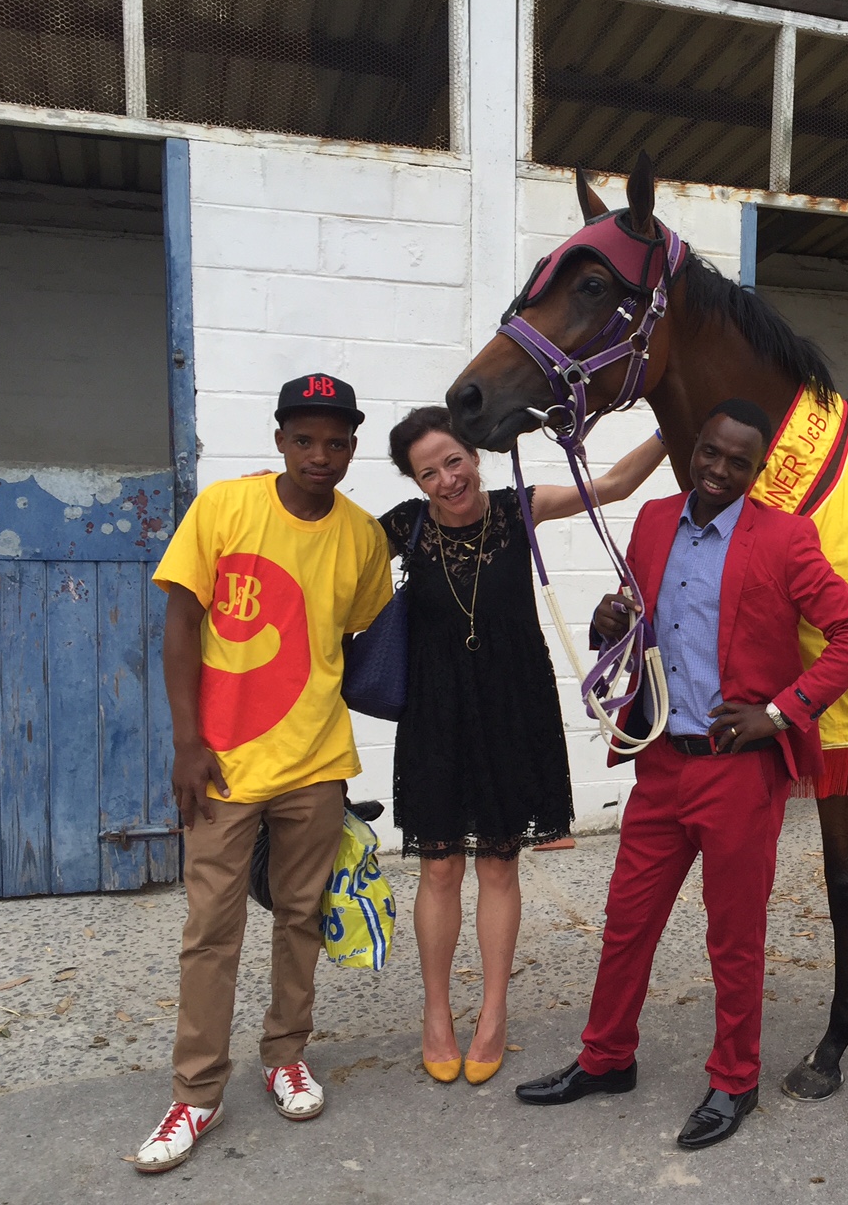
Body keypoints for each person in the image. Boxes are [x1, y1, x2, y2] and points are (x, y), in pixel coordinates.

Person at [514, 399, 848, 1149]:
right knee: (627, 923)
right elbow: (642, 624)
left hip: (738, 776)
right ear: (695, 450)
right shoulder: (653, 521)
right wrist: (609, 625)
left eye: (737, 462)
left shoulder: (784, 538)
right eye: (710, 453)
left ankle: (734, 1080)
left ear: (758, 471)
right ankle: (607, 1058)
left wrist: (780, 713)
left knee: (734, 936)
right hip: (660, 764)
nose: (718, 470)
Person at [133, 375, 393, 1173]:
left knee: (301, 917)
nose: (322, 454)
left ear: (352, 448)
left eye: (338, 442)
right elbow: (181, 623)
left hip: (315, 764)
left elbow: (350, 644)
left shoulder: (362, 537)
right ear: (280, 440)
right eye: (306, 439)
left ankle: (285, 1052)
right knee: (211, 929)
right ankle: (197, 1092)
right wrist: (186, 740)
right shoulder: (223, 508)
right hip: (221, 765)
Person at [379, 407, 667, 1086]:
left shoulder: (520, 509)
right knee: (440, 866)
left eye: (454, 460)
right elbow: (323, 550)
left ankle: (494, 1015)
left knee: (500, 865)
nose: (448, 479)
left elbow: (618, 484)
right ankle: (437, 1015)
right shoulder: (402, 527)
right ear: (415, 481)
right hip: (435, 712)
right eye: (429, 471)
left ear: (474, 455)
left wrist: (675, 428)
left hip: (513, 707)